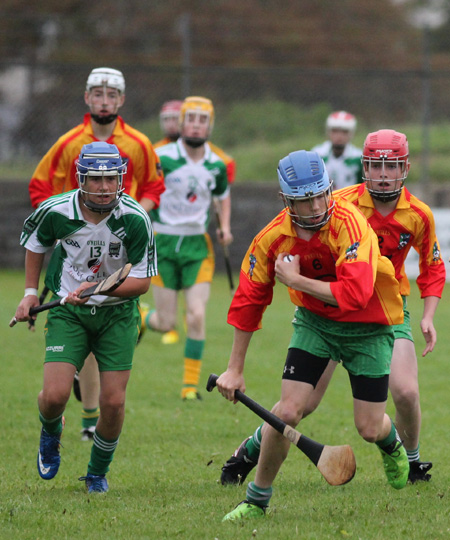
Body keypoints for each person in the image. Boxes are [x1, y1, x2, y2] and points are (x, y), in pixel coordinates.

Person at [220, 130, 446, 488]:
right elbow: (250, 294)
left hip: (383, 310)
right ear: (363, 168)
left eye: (391, 167)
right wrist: (234, 367)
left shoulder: (414, 214)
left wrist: (428, 315)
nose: (383, 175)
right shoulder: (339, 203)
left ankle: (410, 458)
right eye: (375, 166)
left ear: (405, 168)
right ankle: (249, 454)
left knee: (404, 393)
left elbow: (431, 268)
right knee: (298, 407)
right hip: (324, 315)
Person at [27, 67, 164, 441]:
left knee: (111, 315)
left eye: (112, 95)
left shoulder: (137, 142)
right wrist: (62, 227)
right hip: (79, 251)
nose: (105, 101)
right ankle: (88, 416)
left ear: (121, 100)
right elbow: (41, 187)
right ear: (88, 98)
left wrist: (141, 215)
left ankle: (92, 414)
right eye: (98, 94)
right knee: (83, 329)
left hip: (124, 245)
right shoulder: (69, 142)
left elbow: (154, 184)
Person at [13, 142, 156, 493]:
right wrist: (30, 293)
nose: (105, 188)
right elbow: (35, 243)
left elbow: (141, 283)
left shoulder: (135, 219)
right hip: (68, 314)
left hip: (118, 316)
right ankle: (50, 432)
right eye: (96, 179)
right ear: (81, 178)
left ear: (122, 179)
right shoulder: (56, 211)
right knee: (53, 396)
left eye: (112, 179)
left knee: (113, 402)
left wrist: (96, 289)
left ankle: (96, 473)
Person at [142, 96, 232, 400]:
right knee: (165, 322)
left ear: (210, 125)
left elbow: (223, 195)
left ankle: (189, 387)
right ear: (181, 124)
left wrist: (225, 227)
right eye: (190, 119)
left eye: (202, 120)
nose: (196, 125)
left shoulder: (216, 164)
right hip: (163, 242)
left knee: (195, 315)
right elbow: (143, 188)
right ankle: (140, 317)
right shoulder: (160, 157)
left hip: (197, 246)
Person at [311, 110, 362, 190]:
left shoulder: (358, 157)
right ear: (328, 132)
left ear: (351, 133)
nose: (339, 136)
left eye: (344, 132)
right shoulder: (317, 154)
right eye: (335, 131)